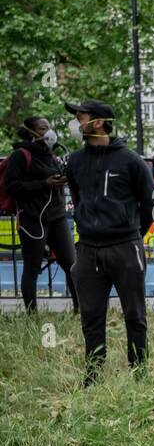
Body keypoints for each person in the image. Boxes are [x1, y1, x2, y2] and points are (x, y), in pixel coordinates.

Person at [63, 99, 154, 385]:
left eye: (81, 117)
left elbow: (151, 203)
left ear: (99, 122)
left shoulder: (130, 160)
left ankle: (139, 373)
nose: (77, 122)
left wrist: (130, 233)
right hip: (88, 250)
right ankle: (93, 374)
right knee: (91, 315)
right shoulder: (75, 161)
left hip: (125, 247)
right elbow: (78, 199)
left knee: (134, 313)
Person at [4, 117, 77, 313]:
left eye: (49, 127)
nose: (48, 132)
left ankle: (81, 309)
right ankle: (31, 313)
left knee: (72, 264)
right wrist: (44, 184)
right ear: (31, 132)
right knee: (32, 267)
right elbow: (11, 186)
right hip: (32, 218)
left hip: (57, 217)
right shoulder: (21, 155)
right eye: (43, 128)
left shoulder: (51, 155)